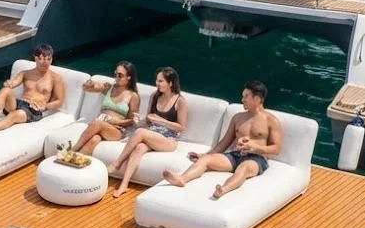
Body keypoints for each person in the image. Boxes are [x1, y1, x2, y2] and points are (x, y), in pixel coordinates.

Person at [162, 80, 281, 199]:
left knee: (244, 168)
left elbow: (276, 149)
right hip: (235, 155)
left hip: (256, 158)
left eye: (246, 97)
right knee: (205, 160)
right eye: (242, 96)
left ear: (257, 99)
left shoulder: (271, 121)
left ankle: (223, 189)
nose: (242, 100)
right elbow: (225, 142)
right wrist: (205, 155)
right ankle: (182, 179)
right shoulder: (238, 117)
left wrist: (255, 147)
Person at [108, 67, 188, 199]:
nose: (157, 84)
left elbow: (181, 127)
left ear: (170, 83)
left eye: (161, 81)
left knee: (140, 132)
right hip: (152, 134)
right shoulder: (155, 96)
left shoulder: (180, 101)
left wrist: (161, 120)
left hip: (169, 140)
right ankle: (124, 185)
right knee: (139, 148)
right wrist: (138, 120)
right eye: (156, 81)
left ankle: (117, 162)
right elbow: (148, 121)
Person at [0, 44, 65, 136]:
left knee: (13, 115)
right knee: (5, 90)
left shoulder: (55, 78)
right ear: (35, 58)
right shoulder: (25, 73)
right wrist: (9, 83)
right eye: (42, 59)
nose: (45, 62)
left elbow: (60, 101)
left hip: (33, 110)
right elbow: (14, 83)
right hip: (20, 103)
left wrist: (45, 106)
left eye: (48, 59)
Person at [70, 61, 140, 155]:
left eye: (120, 75)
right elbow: (90, 87)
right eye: (115, 74)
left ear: (129, 77)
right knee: (94, 140)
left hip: (117, 129)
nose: (116, 77)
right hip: (102, 124)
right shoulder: (109, 88)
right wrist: (89, 85)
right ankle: (74, 159)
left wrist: (116, 122)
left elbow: (133, 121)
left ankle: (72, 150)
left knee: (97, 123)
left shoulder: (133, 96)